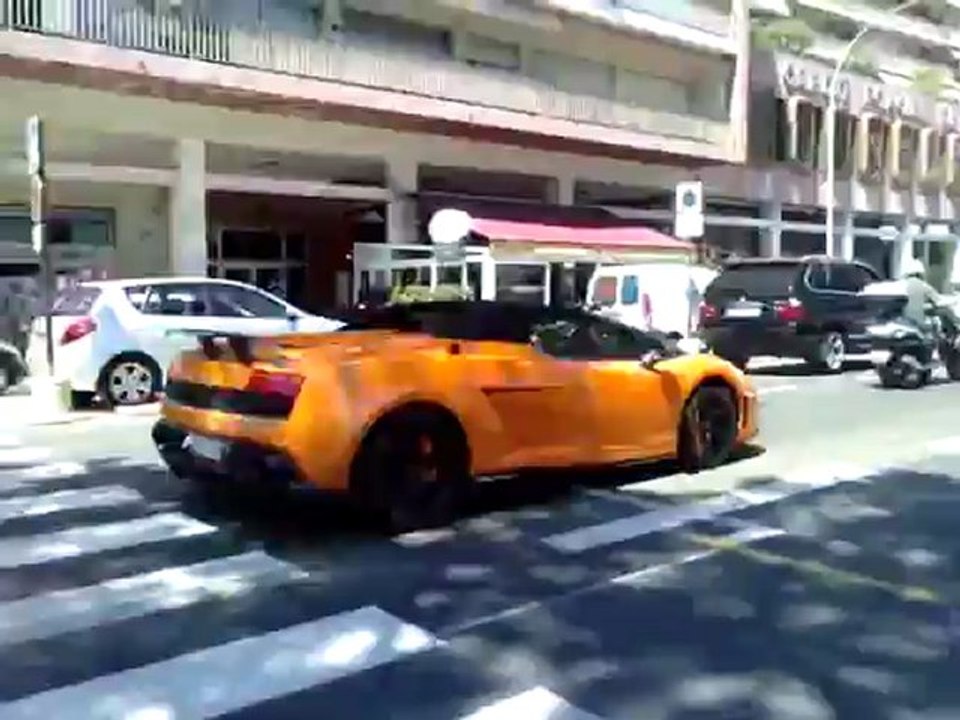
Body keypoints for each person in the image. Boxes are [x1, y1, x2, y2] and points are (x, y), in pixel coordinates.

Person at [900, 257, 942, 331]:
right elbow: (939, 302)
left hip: (901, 324)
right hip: (919, 324)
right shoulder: (924, 286)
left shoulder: (900, 285)